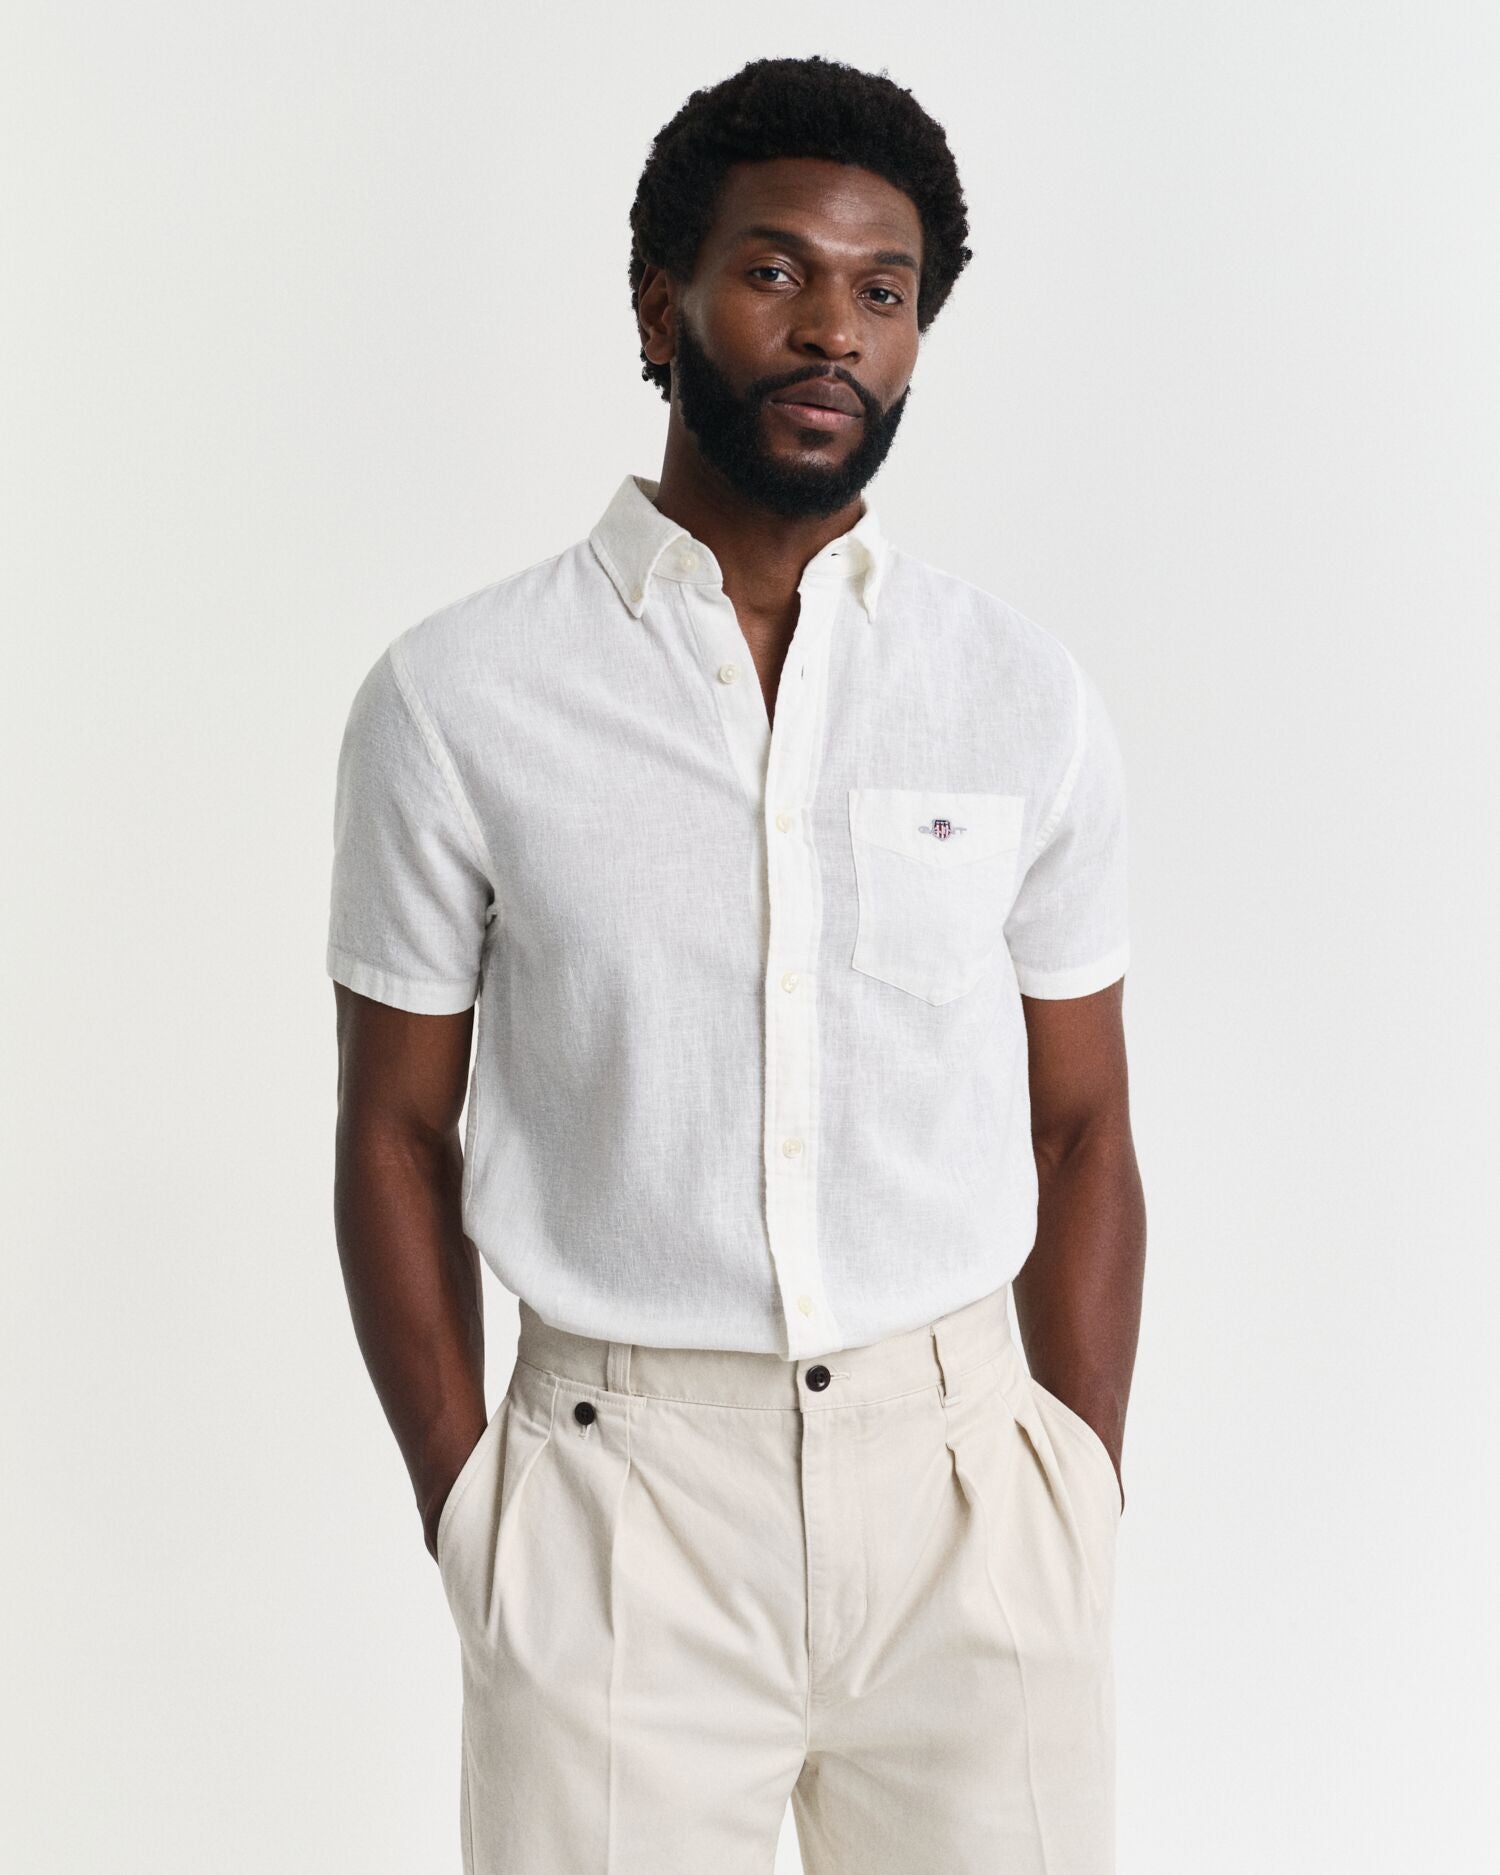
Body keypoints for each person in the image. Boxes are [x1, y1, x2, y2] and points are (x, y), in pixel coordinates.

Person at [327, 52, 1145, 1875]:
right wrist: (474, 1513)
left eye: (884, 291)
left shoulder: (1022, 696)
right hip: (618, 1506)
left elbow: (1083, 1124)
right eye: (777, 272)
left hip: (967, 1510)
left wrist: (1078, 1491)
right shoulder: (459, 699)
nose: (833, 329)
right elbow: (393, 1130)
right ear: (660, 306)